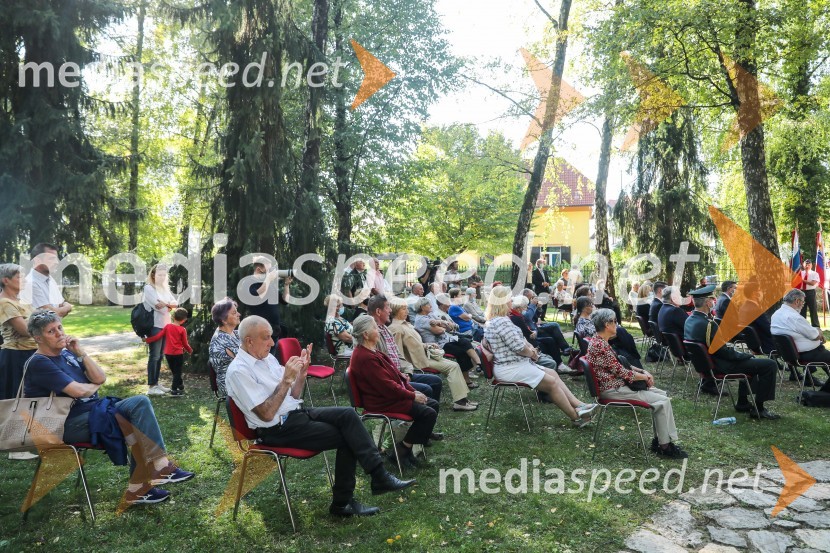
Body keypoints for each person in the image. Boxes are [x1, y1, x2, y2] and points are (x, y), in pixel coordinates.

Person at [225, 316, 415, 517]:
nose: (272, 343)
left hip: (295, 415)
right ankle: (345, 502)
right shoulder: (239, 371)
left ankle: (378, 476)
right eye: (267, 338)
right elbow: (266, 413)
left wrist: (301, 376)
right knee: (348, 436)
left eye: (272, 337)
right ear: (249, 341)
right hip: (275, 430)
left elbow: (293, 396)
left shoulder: (266, 358)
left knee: (348, 415)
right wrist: (286, 380)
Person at [24, 310, 195, 504]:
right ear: (38, 338)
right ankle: (152, 475)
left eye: (60, 327)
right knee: (135, 414)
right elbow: (79, 391)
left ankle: (145, 483)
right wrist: (93, 387)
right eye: (51, 331)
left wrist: (81, 353)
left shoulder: (67, 355)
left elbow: (101, 378)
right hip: (62, 427)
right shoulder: (39, 363)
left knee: (138, 406)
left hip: (90, 414)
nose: (59, 333)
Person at [483, 286, 598, 426]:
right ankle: (576, 417)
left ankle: (579, 405)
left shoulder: (496, 320)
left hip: (513, 365)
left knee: (552, 373)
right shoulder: (501, 322)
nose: (511, 301)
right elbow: (519, 347)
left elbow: (519, 342)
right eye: (509, 298)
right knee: (551, 383)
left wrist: (530, 349)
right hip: (511, 368)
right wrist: (533, 354)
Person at [586, 308, 687, 459]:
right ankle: (665, 446)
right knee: (662, 401)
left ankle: (661, 441)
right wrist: (644, 377)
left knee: (662, 395)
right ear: (607, 324)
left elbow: (620, 365)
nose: (617, 325)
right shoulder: (600, 346)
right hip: (614, 389)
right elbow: (624, 373)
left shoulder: (599, 341)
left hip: (617, 386)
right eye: (615, 322)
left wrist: (643, 372)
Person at [350, 315, 438, 469]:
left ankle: (406, 450)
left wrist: (412, 391)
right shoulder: (364, 357)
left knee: (432, 404)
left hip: (390, 396)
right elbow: (386, 386)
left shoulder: (373, 351)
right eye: (375, 328)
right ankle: (402, 450)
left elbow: (398, 377)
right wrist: (412, 395)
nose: (379, 331)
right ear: (365, 334)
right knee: (428, 413)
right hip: (381, 401)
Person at [684, 285, 780, 419]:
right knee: (769, 365)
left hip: (709, 365)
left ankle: (743, 402)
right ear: (707, 302)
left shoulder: (690, 319)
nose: (714, 302)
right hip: (721, 365)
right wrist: (745, 355)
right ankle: (759, 408)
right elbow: (724, 352)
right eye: (712, 299)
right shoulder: (708, 324)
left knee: (752, 362)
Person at [389, 302, 478, 411]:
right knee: (453, 367)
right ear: (395, 311)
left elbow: (413, 343)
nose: (407, 311)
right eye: (403, 309)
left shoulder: (405, 324)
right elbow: (397, 353)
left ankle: (462, 400)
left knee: (454, 364)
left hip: (425, 355)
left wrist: (426, 345)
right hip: (417, 361)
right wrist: (407, 369)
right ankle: (460, 401)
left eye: (406, 308)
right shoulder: (396, 328)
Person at [367, 294, 445, 406]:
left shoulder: (385, 329)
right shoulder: (375, 333)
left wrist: (407, 371)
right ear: (379, 312)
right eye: (387, 307)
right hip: (393, 379)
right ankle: (423, 411)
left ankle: (427, 410)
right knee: (427, 390)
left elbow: (398, 355)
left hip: (401, 372)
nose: (390, 310)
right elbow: (381, 368)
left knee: (436, 381)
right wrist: (401, 374)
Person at [0, 264, 39, 459]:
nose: (23, 280)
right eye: (19, 277)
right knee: (16, 398)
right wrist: (43, 324)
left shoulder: (20, 301)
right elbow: (26, 329)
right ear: (5, 280)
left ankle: (25, 440)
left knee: (28, 397)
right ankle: (15, 449)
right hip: (15, 355)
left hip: (30, 352)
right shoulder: (5, 303)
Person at [770, 288, 830, 390]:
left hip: (788, 355)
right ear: (797, 301)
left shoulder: (776, 314)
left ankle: (819, 381)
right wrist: (818, 331)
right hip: (804, 354)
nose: (803, 304)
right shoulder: (795, 317)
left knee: (823, 351)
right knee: (823, 351)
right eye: (803, 302)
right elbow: (815, 335)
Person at [413, 297, 481, 386]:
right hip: (436, 345)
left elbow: (449, 327)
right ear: (422, 307)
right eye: (428, 304)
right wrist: (443, 324)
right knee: (461, 352)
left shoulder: (430, 315)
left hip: (445, 340)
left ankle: (479, 364)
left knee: (464, 341)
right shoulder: (421, 320)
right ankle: (467, 380)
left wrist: (442, 324)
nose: (431, 306)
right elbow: (439, 331)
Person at [574, 296, 643, 368]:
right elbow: (601, 334)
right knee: (622, 335)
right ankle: (635, 357)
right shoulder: (584, 323)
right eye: (591, 305)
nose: (593, 306)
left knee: (622, 335)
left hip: (600, 345)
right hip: (600, 349)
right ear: (585, 308)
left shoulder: (585, 320)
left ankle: (634, 356)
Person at [143, 264, 178, 396]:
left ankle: (156, 383)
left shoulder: (164, 289)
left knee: (160, 356)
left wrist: (166, 304)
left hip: (165, 326)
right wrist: (168, 306)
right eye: (159, 275)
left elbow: (175, 303)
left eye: (164, 275)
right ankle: (152, 386)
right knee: (155, 355)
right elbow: (161, 309)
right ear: (153, 275)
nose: (162, 277)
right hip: (155, 326)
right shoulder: (149, 288)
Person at [244, 255, 292, 351]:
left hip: (274, 331)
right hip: (259, 331)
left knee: (271, 360)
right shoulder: (249, 282)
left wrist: (286, 285)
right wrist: (269, 279)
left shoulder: (269, 285)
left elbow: (285, 301)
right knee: (261, 359)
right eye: (269, 269)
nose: (271, 272)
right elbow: (257, 297)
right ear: (259, 269)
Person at [144, 307, 192, 396]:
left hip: (168, 354)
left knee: (175, 371)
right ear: (184, 320)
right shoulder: (182, 330)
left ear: (173, 317)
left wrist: (147, 340)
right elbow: (185, 343)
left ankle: (180, 385)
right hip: (178, 354)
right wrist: (190, 350)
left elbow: (158, 336)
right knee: (177, 372)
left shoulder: (167, 326)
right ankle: (174, 389)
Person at [25, 243, 73, 317]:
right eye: (51, 259)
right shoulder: (30, 283)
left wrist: (64, 307)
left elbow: (61, 303)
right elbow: (52, 314)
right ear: (37, 260)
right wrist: (68, 307)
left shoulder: (50, 279)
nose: (57, 262)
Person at [208, 297, 241, 396]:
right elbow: (246, 361)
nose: (239, 315)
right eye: (234, 313)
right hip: (231, 385)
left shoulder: (237, 333)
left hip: (242, 379)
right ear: (224, 320)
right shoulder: (220, 341)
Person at [737, 281, 775, 355]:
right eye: (760, 290)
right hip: (765, 344)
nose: (762, 293)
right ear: (754, 293)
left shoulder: (743, 307)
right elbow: (768, 330)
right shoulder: (755, 310)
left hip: (752, 344)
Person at [798, 260, 821, 327]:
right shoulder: (800, 273)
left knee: (813, 309)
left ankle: (816, 326)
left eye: (809, 264)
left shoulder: (815, 273)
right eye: (806, 264)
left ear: (811, 265)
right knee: (802, 310)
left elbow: (812, 283)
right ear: (803, 265)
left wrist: (802, 280)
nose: (807, 266)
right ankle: (802, 326)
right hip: (801, 292)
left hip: (810, 292)